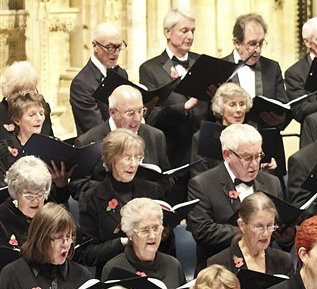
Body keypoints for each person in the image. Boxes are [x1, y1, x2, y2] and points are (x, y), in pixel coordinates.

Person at [187, 123, 282, 271]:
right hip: (219, 271)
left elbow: (277, 229)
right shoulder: (202, 184)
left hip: (265, 268)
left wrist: (286, 236)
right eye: (247, 157)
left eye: (258, 156)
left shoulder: (272, 182)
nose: (255, 163)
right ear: (227, 155)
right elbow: (203, 231)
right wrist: (249, 232)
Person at [101, 198, 185, 289]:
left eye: (156, 228)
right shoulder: (114, 268)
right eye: (145, 230)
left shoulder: (173, 264)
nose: (152, 236)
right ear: (130, 234)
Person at [78, 128, 162, 277]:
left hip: (153, 271)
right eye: (127, 158)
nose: (133, 164)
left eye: (138, 158)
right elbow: (88, 254)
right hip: (113, 273)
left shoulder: (152, 191)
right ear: (111, 159)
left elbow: (167, 245)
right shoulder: (92, 198)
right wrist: (123, 241)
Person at [71, 85, 170, 200]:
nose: (137, 118)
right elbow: (78, 187)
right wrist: (117, 188)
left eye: (140, 111)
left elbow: (167, 179)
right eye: (130, 113)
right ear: (112, 112)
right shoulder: (87, 141)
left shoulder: (155, 136)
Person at [139, 8, 209, 167]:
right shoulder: (150, 69)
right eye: (184, 31)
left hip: (204, 155)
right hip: (173, 155)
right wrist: (184, 107)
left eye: (193, 31)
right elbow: (152, 116)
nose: (190, 36)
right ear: (167, 32)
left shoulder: (203, 63)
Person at [0, 91, 70, 202]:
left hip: (48, 211)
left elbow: (61, 198)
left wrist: (61, 184)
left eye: (41, 114)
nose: (39, 119)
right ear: (17, 120)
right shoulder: (4, 149)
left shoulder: (53, 146)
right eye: (32, 115)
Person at [224, 13, 289, 130]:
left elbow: (285, 107)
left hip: (267, 140)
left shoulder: (272, 67)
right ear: (237, 43)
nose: (258, 50)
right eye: (252, 44)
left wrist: (281, 120)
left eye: (261, 43)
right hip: (231, 140)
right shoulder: (221, 67)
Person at [208, 193, 294, 277]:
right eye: (258, 226)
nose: (266, 233)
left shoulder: (284, 261)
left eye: (269, 225)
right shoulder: (219, 264)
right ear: (242, 225)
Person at [70, 22, 128, 135]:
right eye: (110, 47)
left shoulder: (121, 73)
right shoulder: (82, 83)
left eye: (119, 47)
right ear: (95, 46)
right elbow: (96, 130)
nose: (116, 53)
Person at [191, 83, 253, 176]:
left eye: (242, 104)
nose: (239, 110)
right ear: (220, 108)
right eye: (232, 105)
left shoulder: (253, 134)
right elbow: (199, 177)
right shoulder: (203, 137)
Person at [0, 156, 52, 248]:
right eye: (29, 196)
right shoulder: (3, 219)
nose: (36, 200)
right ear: (15, 193)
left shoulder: (52, 215)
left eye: (40, 194)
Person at [0, 61, 53, 140]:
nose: (26, 98)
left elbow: (50, 140)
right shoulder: (1, 111)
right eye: (19, 93)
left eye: (30, 92)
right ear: (9, 91)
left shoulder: (43, 109)